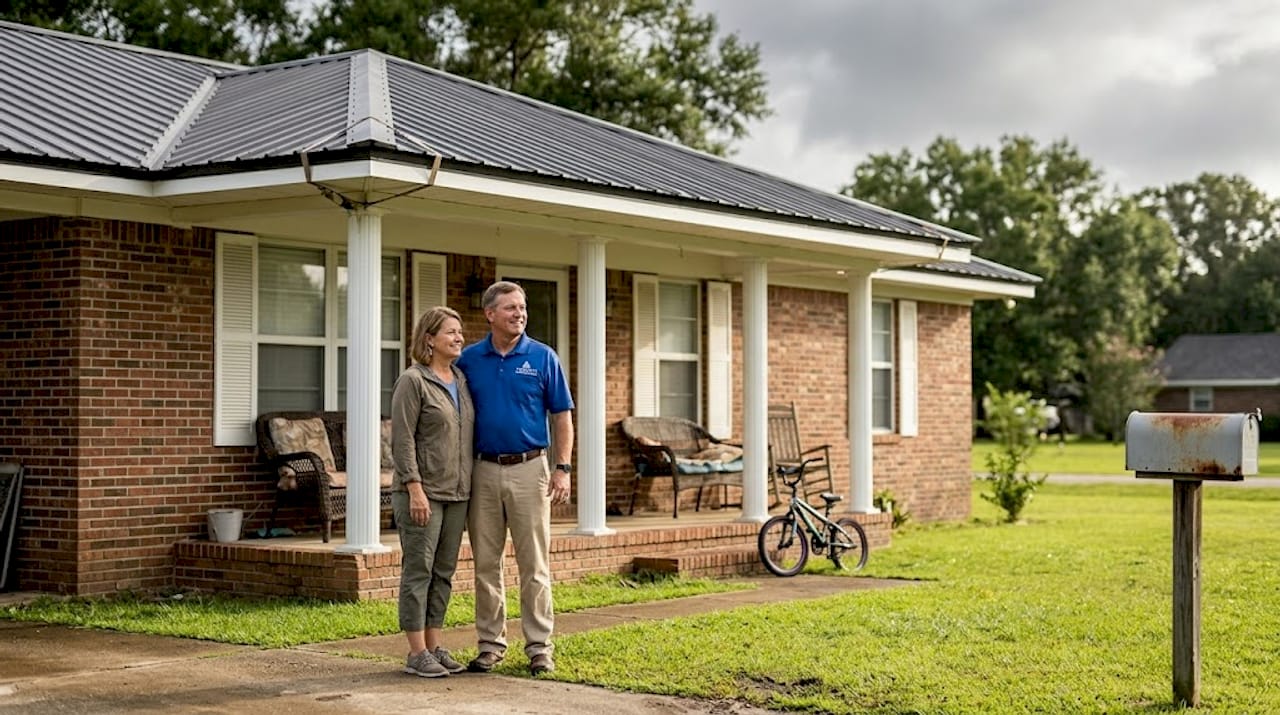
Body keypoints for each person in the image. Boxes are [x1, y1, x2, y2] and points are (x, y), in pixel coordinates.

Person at [457, 281, 574, 677]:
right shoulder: (469, 360)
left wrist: (562, 468)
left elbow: (562, 417)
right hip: (483, 470)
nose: (519, 314)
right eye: (510, 308)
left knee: (534, 563)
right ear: (490, 314)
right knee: (486, 564)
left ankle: (540, 647)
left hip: (530, 469)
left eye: (522, 308)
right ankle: (490, 645)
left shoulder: (543, 357)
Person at [390, 306, 474, 678]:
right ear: (429, 339)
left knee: (444, 571)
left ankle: (435, 645)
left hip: (457, 493)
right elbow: (403, 439)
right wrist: (414, 488)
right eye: (450, 332)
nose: (459, 338)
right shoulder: (413, 380)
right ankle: (415, 652)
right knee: (418, 569)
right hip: (421, 492)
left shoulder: (461, 379)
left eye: (460, 332)